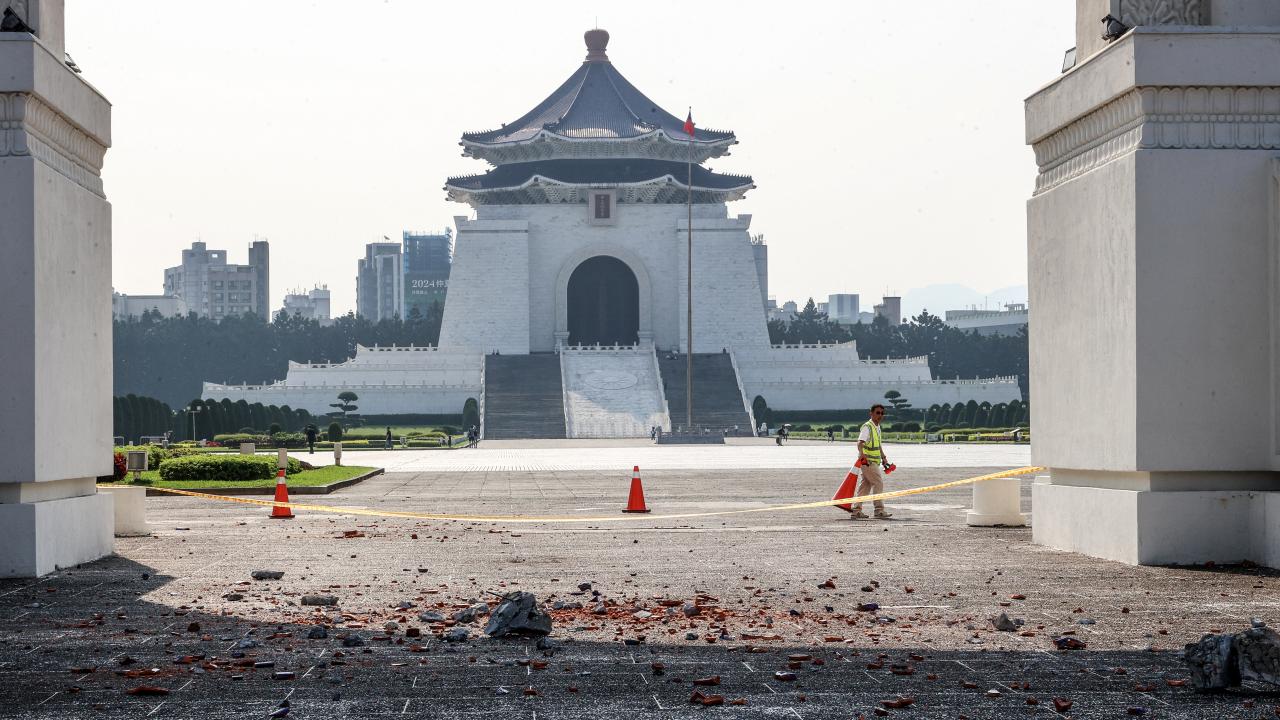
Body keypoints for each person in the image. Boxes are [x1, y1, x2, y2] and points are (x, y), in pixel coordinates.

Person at [852, 404, 893, 520]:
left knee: (865, 486)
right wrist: (863, 455)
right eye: (878, 413)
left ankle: (856, 510)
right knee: (878, 483)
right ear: (871, 413)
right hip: (868, 462)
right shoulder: (867, 427)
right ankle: (879, 510)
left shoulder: (877, 427)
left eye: (882, 413)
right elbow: (860, 442)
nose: (880, 415)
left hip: (874, 461)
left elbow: (878, 445)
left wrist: (884, 457)